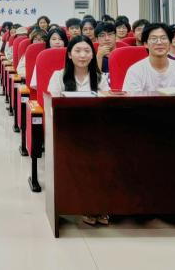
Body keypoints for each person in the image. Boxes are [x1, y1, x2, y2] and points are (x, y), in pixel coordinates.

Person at [46, 35, 110, 226]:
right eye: (78, 51)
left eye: (87, 51)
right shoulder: (58, 76)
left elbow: (106, 106)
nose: (82, 55)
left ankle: (100, 203)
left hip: (95, 131)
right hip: (66, 131)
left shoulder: (100, 77)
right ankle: (85, 205)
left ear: (93, 55)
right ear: (69, 54)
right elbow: (51, 107)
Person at [122, 23, 175, 91]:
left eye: (163, 38)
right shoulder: (135, 71)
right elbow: (132, 100)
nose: (159, 42)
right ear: (145, 44)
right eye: (154, 38)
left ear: (170, 43)